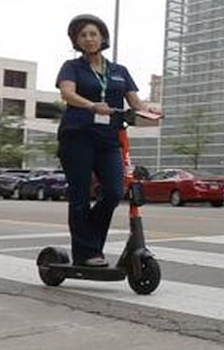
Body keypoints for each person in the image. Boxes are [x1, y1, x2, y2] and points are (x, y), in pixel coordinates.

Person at [55, 14, 157, 267]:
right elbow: (67, 93)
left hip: (109, 138)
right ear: (77, 41)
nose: (89, 39)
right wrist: (92, 105)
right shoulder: (72, 67)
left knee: (113, 191)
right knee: (79, 195)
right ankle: (87, 253)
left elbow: (135, 101)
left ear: (102, 38)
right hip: (77, 137)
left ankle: (91, 245)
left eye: (93, 34)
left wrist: (149, 112)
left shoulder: (119, 71)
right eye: (83, 35)